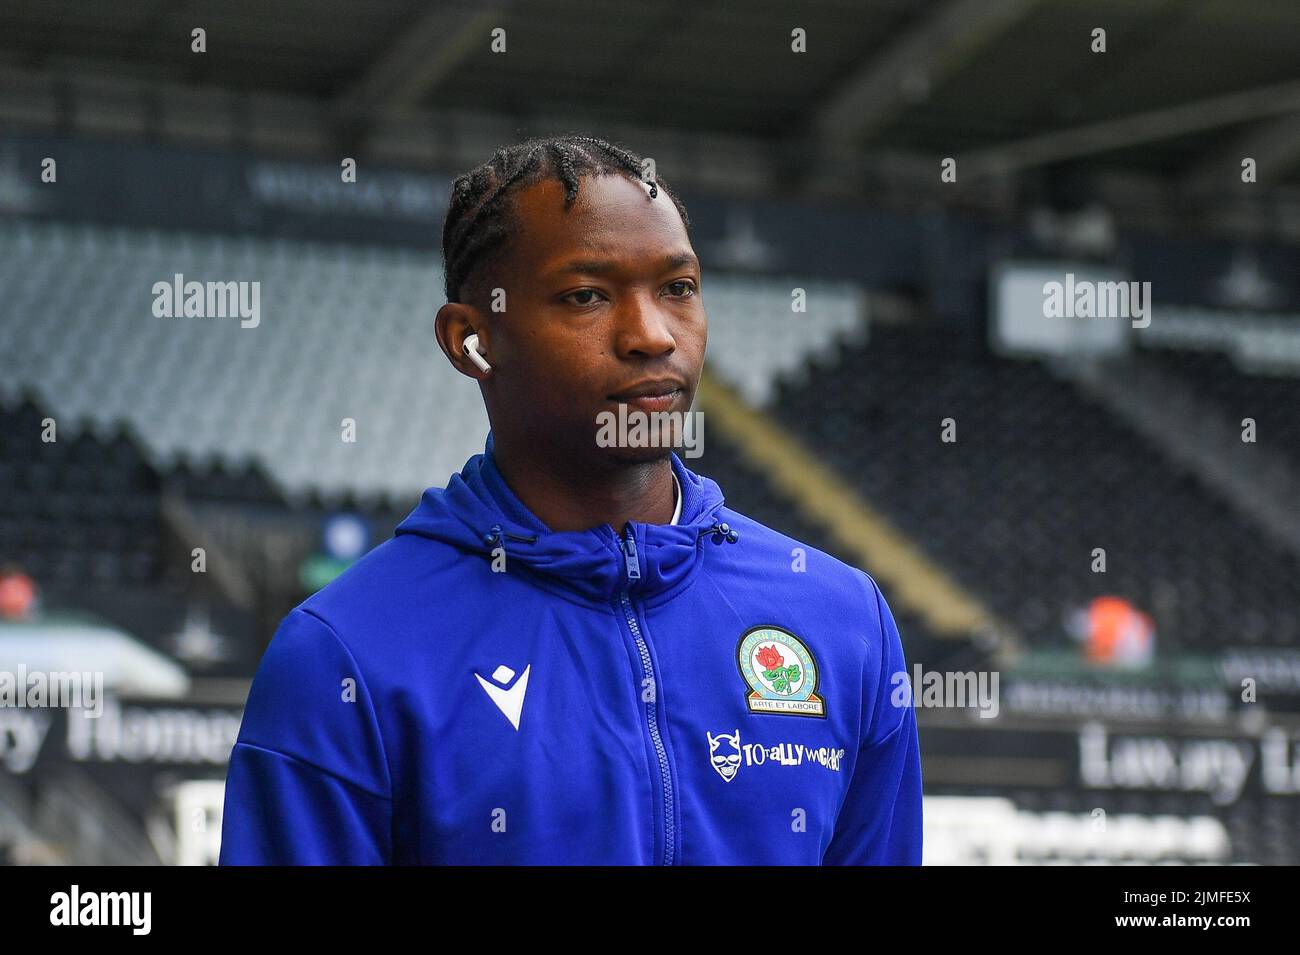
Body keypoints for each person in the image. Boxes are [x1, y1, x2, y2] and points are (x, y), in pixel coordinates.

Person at [219, 135, 922, 865]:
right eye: (586, 295)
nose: (653, 335)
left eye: (678, 288)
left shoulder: (842, 621)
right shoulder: (345, 653)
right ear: (471, 340)